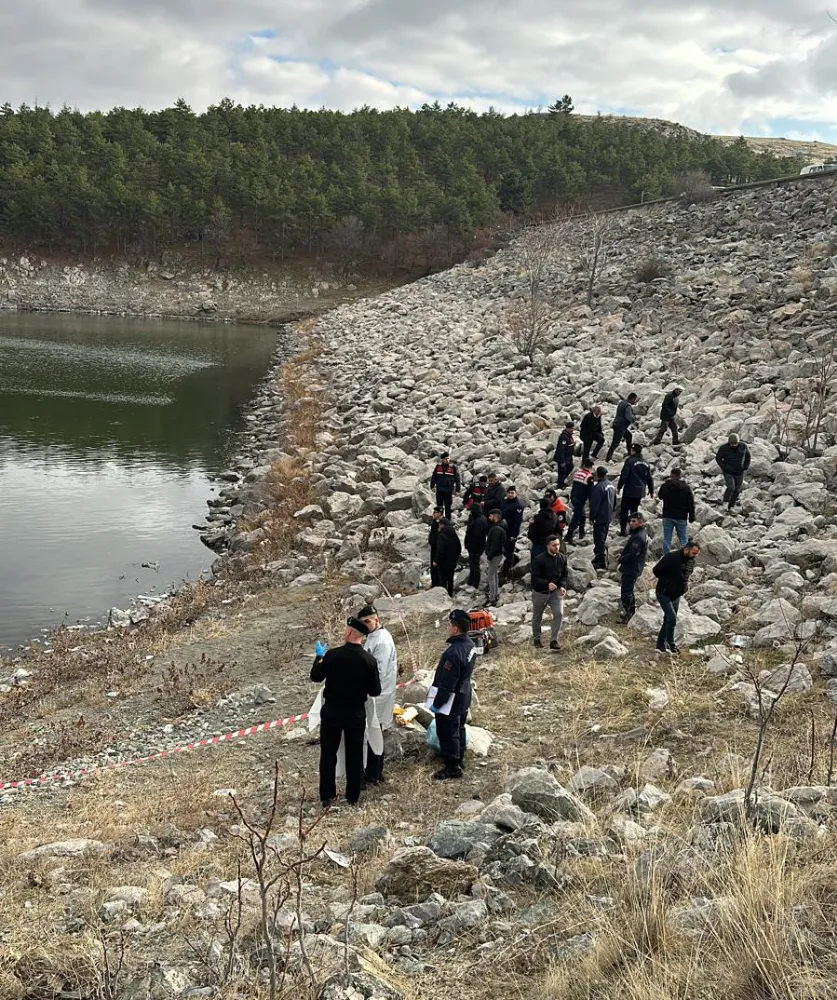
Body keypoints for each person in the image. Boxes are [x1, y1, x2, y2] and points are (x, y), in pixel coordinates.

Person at [311, 617, 381, 807]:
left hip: (332, 711)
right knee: (354, 754)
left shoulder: (332, 655)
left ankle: (327, 796)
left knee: (328, 753)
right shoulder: (369, 660)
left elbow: (315, 677)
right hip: (355, 713)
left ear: (349, 632)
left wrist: (318, 657)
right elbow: (375, 691)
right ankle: (353, 795)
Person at [429, 609, 477, 780]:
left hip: (452, 698)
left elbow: (447, 684)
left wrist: (437, 703)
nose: (448, 627)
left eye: (450, 625)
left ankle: (452, 766)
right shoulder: (470, 644)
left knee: (447, 731)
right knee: (459, 727)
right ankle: (459, 756)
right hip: (464, 694)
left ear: (455, 629)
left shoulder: (453, 653)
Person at [357, 605, 398, 787]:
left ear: (376, 619)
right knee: (374, 731)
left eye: (368, 621)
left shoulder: (381, 641)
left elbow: (378, 671)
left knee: (373, 733)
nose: (365, 625)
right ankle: (374, 772)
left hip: (378, 693)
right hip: (376, 691)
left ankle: (374, 773)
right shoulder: (373, 637)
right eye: (362, 622)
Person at [652, 539, 701, 654]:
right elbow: (656, 570)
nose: (696, 555)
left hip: (677, 595)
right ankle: (671, 645)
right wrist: (667, 579)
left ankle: (660, 644)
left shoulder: (691, 561)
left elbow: (686, 576)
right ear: (687, 549)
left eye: (697, 553)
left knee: (668, 619)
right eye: (694, 553)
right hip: (663, 592)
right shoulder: (671, 557)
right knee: (672, 618)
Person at [531, 534, 568, 650]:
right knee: (537, 617)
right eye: (554, 545)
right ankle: (537, 639)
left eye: (558, 544)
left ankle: (554, 640)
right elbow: (534, 579)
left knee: (559, 614)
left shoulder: (562, 558)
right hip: (540, 592)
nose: (557, 547)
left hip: (555, 592)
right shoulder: (538, 559)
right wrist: (547, 584)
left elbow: (564, 575)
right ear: (548, 546)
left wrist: (562, 586)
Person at [617, 444, 654, 535]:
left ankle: (623, 530)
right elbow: (649, 478)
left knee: (624, 511)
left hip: (629, 490)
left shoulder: (630, 461)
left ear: (633, 451)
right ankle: (633, 530)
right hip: (640, 491)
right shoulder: (646, 463)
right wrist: (651, 490)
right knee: (634, 510)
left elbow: (624, 475)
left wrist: (619, 486)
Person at [617, 512, 648, 622]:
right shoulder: (639, 533)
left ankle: (628, 614)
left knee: (626, 592)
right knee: (629, 591)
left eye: (634, 521)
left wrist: (621, 559)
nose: (631, 523)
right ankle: (630, 612)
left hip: (632, 568)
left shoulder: (639, 537)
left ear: (641, 523)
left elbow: (633, 555)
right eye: (630, 521)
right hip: (633, 567)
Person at [658, 467, 695, 555]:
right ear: (680, 476)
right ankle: (686, 557)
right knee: (683, 539)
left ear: (671, 475)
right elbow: (690, 503)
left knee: (667, 539)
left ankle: (666, 557)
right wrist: (691, 517)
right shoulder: (686, 488)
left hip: (667, 515)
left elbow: (660, 496)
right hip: (681, 517)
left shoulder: (665, 486)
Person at [715, 433, 751, 510]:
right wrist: (724, 467)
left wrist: (745, 466)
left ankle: (731, 506)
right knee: (731, 487)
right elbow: (718, 458)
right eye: (732, 444)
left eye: (735, 443)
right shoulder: (723, 448)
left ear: (738, 442)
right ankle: (725, 503)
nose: (734, 445)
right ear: (729, 443)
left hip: (739, 472)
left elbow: (748, 456)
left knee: (737, 490)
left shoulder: (743, 446)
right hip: (728, 472)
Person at [590, 466, 616, 570]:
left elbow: (595, 504)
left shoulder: (598, 487)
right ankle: (598, 556)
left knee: (598, 539)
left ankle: (600, 559)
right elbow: (614, 501)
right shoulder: (611, 485)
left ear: (598, 475)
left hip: (600, 517)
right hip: (608, 515)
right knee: (603, 536)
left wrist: (592, 517)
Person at [566, 459, 594, 545]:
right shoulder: (589, 477)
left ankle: (582, 532)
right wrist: (592, 503)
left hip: (574, 497)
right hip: (581, 499)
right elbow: (590, 492)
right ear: (591, 467)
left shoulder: (577, 473)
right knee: (577, 517)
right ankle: (569, 535)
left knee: (582, 514)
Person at [606, 392, 638, 462]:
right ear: (632, 399)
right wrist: (634, 418)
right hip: (621, 426)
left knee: (629, 436)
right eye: (635, 400)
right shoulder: (628, 406)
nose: (635, 401)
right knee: (615, 443)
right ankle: (608, 458)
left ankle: (629, 453)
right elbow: (628, 417)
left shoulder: (622, 402)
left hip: (617, 424)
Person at [484, 508, 507, 606]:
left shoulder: (496, 529)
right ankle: (495, 593)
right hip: (499, 554)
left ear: (495, 516)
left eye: (490, 516)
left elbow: (495, 544)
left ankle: (492, 598)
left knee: (491, 576)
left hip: (495, 555)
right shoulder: (501, 525)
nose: (489, 518)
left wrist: (489, 555)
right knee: (494, 574)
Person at [434, 518, 462, 597]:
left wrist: (436, 560)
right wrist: (456, 558)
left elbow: (440, 550)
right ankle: (450, 595)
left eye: (439, 525)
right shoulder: (454, 534)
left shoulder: (441, 536)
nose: (438, 527)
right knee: (450, 580)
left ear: (442, 525)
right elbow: (459, 547)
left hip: (443, 562)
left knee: (443, 581)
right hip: (452, 562)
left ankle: (443, 597)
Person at [501, 485, 524, 575]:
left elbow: (517, 523)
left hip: (510, 532)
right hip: (502, 530)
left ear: (515, 494)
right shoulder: (504, 502)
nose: (510, 494)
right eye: (509, 493)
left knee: (508, 552)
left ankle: (506, 571)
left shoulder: (518, 506)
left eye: (512, 493)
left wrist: (514, 535)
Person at [429, 452, 460, 519]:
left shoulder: (453, 467)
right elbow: (434, 476)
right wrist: (432, 486)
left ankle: (448, 520)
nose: (447, 460)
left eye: (448, 458)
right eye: (445, 459)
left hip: (448, 490)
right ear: (442, 459)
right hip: (439, 489)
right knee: (439, 506)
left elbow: (457, 479)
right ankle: (439, 519)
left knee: (448, 506)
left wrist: (457, 490)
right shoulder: (438, 466)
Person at [464, 502, 488, 589]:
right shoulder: (475, 517)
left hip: (477, 547)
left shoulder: (480, 520)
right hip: (471, 546)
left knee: (475, 565)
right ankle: (470, 582)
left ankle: (475, 585)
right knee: (471, 564)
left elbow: (477, 535)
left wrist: (471, 545)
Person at [553, 421, 576, 487]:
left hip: (568, 456)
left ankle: (561, 481)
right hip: (563, 457)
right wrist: (562, 461)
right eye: (571, 428)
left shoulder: (569, 435)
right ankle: (560, 484)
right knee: (562, 470)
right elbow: (561, 450)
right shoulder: (564, 437)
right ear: (568, 428)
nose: (573, 430)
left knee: (570, 467)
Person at [427, 506, 444, 588]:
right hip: (433, 548)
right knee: (433, 568)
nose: (433, 514)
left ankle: (440, 585)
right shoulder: (434, 521)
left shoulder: (443, 523)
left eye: (435, 512)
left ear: (440, 513)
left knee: (438, 567)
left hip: (439, 548)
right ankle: (434, 584)